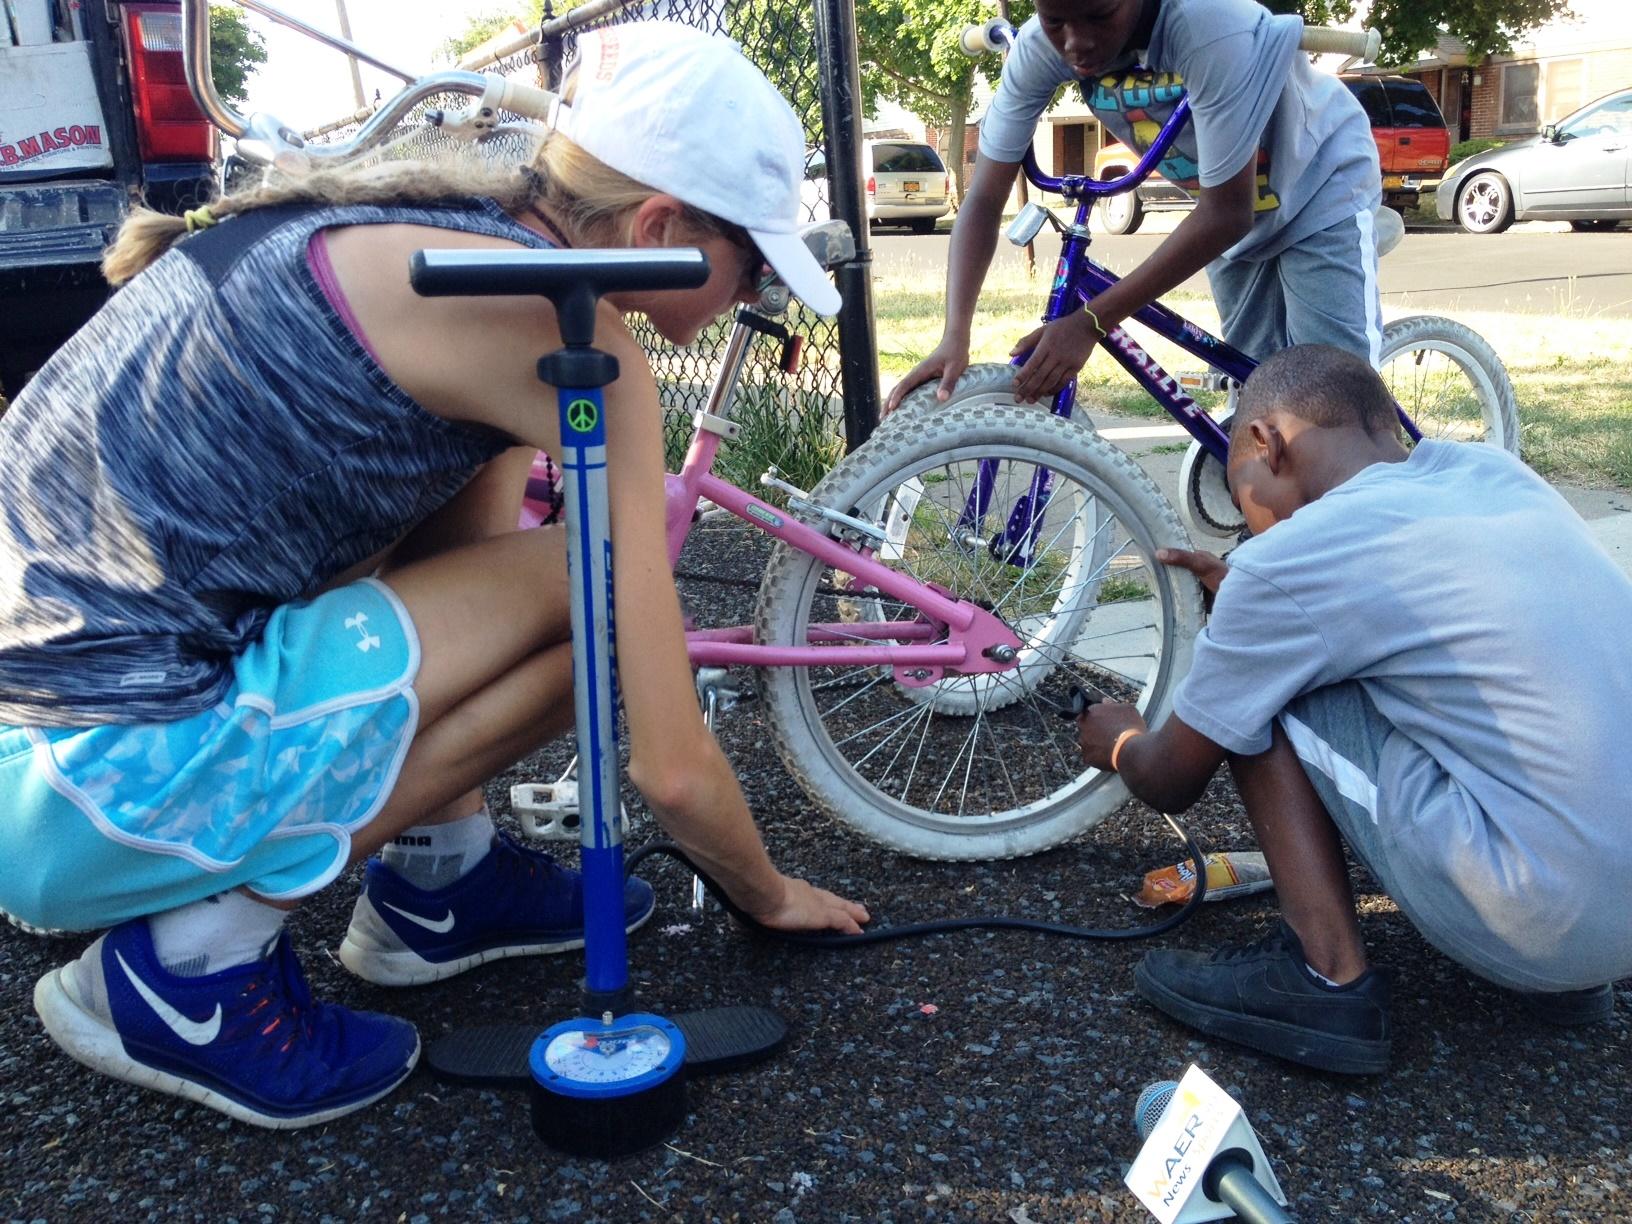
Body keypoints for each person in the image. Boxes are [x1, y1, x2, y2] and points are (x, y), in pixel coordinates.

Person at [0, 22, 867, 1130]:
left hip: (44, 766)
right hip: (94, 791)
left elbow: (440, 569)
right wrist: (771, 895)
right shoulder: (570, 326)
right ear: (660, 228)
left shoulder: (432, 235)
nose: (758, 303)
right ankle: (191, 973)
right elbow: (671, 767)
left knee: (549, 581)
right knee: (592, 589)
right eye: (754, 272)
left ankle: (440, 880)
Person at [1075, 344, 1632, 1075]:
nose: (1242, 517)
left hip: (1542, 921)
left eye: (1236, 485)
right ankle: (1572, 981)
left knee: (1267, 686)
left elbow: (1169, 779)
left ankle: (1324, 977)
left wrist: (1118, 740)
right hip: (1610, 920)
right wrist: (1254, 595)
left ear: (1264, 444)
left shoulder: (1285, 566)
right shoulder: (1491, 473)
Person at [886, 0, 1385, 413]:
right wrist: (955, 334)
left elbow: (1228, 211)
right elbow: (985, 199)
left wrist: (1093, 320)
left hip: (1321, 181)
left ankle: (1390, 496)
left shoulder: (1205, 25)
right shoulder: (1044, 47)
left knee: (1334, 404)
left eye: (1099, 17)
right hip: (1237, 219)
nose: (1075, 42)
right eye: (1054, 20)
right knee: (1258, 390)